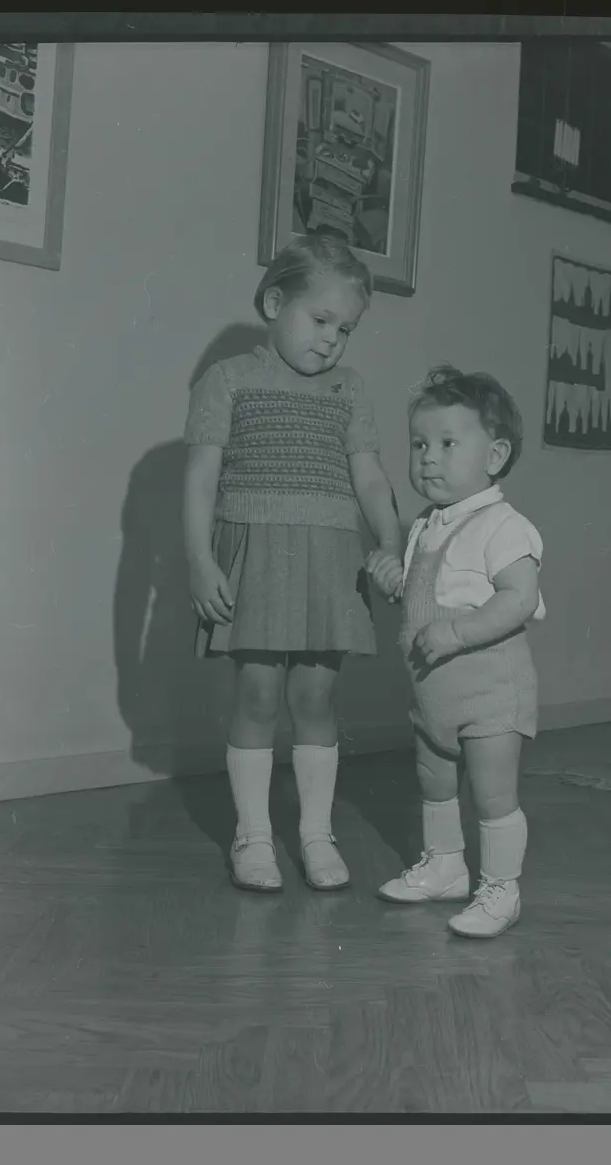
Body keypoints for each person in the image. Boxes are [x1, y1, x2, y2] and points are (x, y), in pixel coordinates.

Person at [183, 233, 402, 894]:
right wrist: (199, 560)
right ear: (275, 303)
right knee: (256, 694)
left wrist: (392, 539)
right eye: (321, 319)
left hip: (329, 559)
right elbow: (200, 480)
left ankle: (315, 834)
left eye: (346, 329)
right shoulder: (227, 381)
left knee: (315, 697)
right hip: (256, 556)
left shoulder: (349, 390)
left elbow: (370, 477)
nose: (332, 340)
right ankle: (253, 836)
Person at [367, 366, 545, 938]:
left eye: (447, 444)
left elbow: (519, 598)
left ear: (495, 456)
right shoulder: (426, 525)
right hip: (433, 693)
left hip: (489, 691)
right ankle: (445, 866)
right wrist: (393, 581)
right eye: (420, 444)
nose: (428, 458)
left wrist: (459, 633)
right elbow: (427, 596)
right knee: (434, 779)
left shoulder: (503, 525)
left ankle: (501, 889)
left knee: (493, 793)